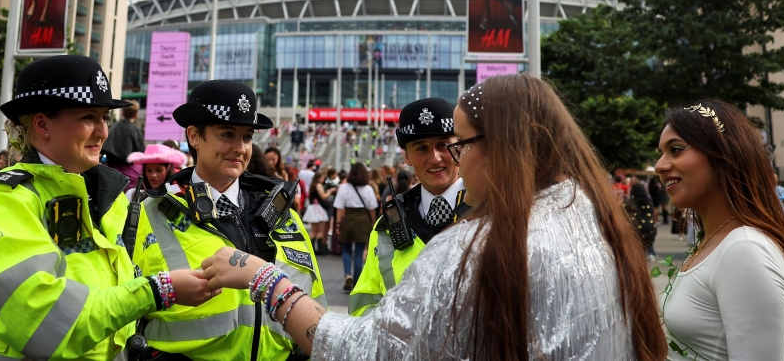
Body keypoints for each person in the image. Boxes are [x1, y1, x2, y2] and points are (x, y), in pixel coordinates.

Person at [200, 75, 667, 360]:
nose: (447, 158)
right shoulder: (586, 215)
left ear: (501, 144)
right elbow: (369, 307)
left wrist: (267, 281)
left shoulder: (480, 242)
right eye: (424, 147)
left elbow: (368, 351)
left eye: (456, 144)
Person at [0, 55, 215, 360]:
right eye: (89, 117)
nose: (103, 132)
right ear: (42, 123)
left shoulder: (106, 197)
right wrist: (157, 291)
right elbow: (45, 322)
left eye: (105, 118)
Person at [132, 79, 327, 360]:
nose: (240, 148)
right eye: (227, 134)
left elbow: (317, 304)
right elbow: (126, 313)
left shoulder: (285, 217)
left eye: (247, 137)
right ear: (194, 136)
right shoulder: (150, 212)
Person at [656, 100, 784, 360]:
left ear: (722, 154)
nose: (660, 165)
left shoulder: (745, 249)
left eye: (676, 150)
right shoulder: (716, 240)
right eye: (660, 152)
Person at [349, 98, 469, 316]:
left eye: (443, 144)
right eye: (421, 148)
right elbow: (364, 303)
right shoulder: (386, 225)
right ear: (407, 157)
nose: (435, 158)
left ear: (458, 147)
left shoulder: (491, 210)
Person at [333, 162, 377, 292]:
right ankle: (357, 281)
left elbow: (340, 208)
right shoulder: (368, 189)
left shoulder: (344, 187)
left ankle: (348, 275)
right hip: (362, 221)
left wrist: (338, 224)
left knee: (346, 249)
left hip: (348, 220)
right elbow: (372, 208)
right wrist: (372, 223)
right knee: (359, 252)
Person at [102, 100, 146, 191]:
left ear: (122, 113)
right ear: (136, 115)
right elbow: (142, 152)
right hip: (131, 174)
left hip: (112, 170)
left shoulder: (114, 126)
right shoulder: (134, 129)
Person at [303, 170, 335, 255]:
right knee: (320, 231)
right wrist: (329, 192)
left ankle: (311, 248)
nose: (323, 180)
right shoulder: (319, 185)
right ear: (319, 178)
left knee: (313, 230)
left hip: (312, 208)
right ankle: (319, 249)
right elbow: (324, 197)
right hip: (318, 209)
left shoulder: (312, 186)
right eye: (323, 178)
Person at [625, 174, 657, 259]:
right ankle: (651, 253)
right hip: (649, 226)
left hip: (635, 226)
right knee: (647, 241)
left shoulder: (630, 203)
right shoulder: (648, 201)